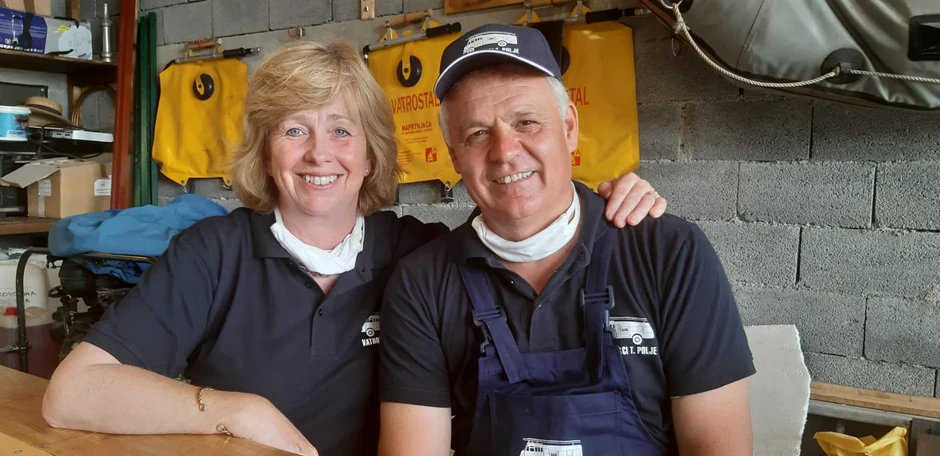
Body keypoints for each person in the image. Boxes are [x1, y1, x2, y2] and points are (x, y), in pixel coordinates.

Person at [40, 40, 669, 456]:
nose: (320, 154)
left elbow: (522, 223)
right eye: (294, 130)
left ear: (371, 155)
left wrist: (609, 203)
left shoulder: (417, 254)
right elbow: (72, 394)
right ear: (265, 151)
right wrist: (239, 412)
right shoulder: (214, 255)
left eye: (342, 130)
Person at [377, 23, 756, 456]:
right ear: (453, 154)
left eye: (526, 122)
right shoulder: (422, 283)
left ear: (569, 126)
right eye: (477, 133)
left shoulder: (669, 253)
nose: (504, 151)